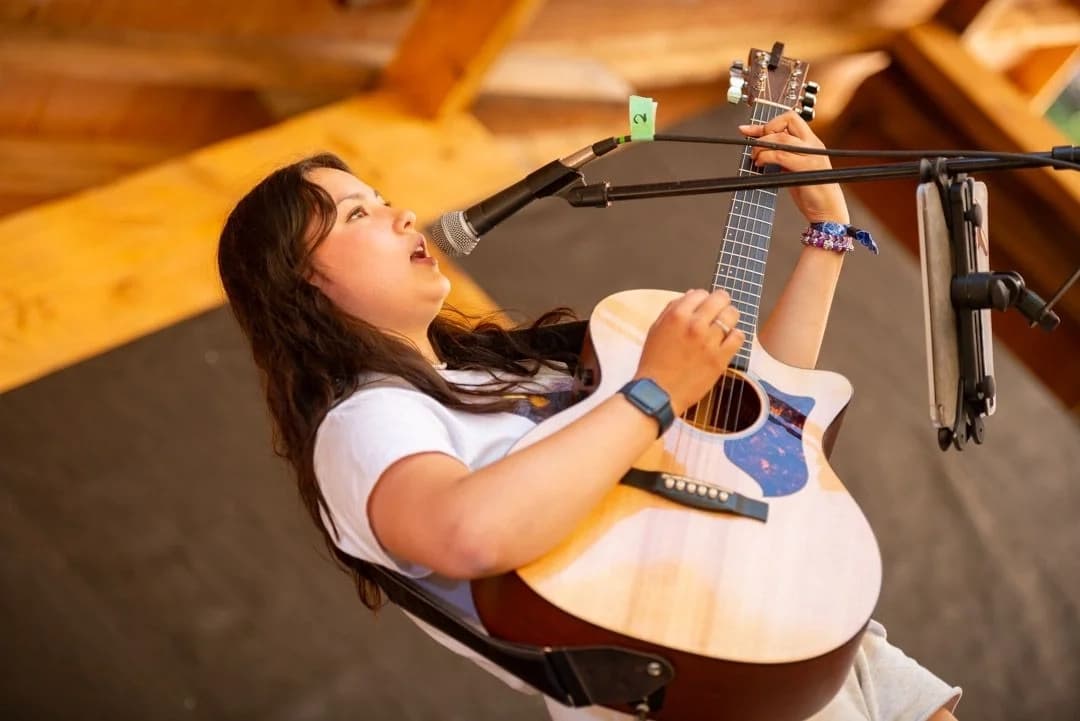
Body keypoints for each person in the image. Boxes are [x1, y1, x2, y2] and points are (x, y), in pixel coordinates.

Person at [217, 110, 961, 721]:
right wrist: (654, 391)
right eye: (359, 213)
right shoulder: (365, 417)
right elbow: (464, 531)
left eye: (381, 198)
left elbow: (763, 420)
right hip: (693, 677)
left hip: (792, 624)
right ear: (305, 286)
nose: (401, 212)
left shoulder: (502, 371)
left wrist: (826, 236)